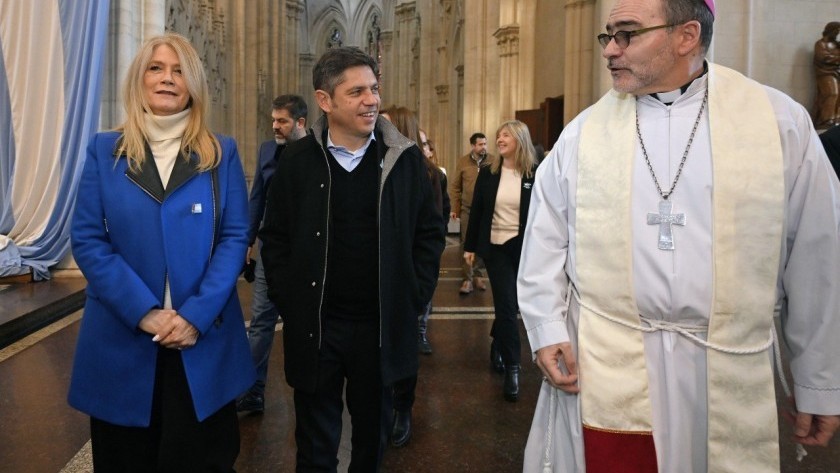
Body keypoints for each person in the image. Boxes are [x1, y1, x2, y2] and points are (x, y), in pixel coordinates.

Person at [518, 1, 840, 472]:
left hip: (724, 365)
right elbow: (544, 242)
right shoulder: (583, 134)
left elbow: (818, 257)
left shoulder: (778, 124)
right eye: (608, 35)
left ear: (687, 35)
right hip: (604, 363)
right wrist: (547, 330)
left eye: (626, 34)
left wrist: (819, 380)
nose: (610, 49)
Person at [68, 33, 254, 471]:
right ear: (139, 80)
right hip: (124, 338)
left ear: (193, 84)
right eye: (156, 68)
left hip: (201, 341)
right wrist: (145, 312)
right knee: (125, 460)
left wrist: (195, 316)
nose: (167, 79)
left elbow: (234, 237)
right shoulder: (104, 151)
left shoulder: (220, 152)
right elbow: (90, 240)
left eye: (178, 71)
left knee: (204, 459)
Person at [259, 47, 445, 472]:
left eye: (374, 88)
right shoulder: (298, 161)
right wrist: (293, 303)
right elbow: (275, 238)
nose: (371, 100)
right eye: (357, 91)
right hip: (318, 328)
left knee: (371, 442)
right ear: (325, 101)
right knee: (314, 446)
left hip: (378, 329)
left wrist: (411, 297)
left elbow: (429, 235)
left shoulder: (404, 159)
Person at [378, 106, 449, 448]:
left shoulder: (426, 172)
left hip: (406, 279)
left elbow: (431, 232)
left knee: (403, 347)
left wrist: (420, 287)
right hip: (379, 277)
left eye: (387, 124)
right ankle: (384, 404)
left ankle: (402, 407)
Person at [238, 94, 308, 413]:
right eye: (273, 120)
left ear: (300, 123)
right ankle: (252, 391)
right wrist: (247, 242)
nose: (275, 126)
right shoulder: (267, 149)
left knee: (303, 321)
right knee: (262, 321)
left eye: (282, 121)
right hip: (269, 248)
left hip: (304, 250)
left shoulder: (318, 151)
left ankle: (308, 391)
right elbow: (257, 200)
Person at [463, 120, 537, 402]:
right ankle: (514, 369)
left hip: (524, 249)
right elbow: (479, 212)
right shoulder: (488, 173)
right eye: (498, 136)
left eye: (505, 135)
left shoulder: (534, 174)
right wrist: (470, 248)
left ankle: (498, 342)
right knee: (507, 305)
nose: (499, 139)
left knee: (514, 305)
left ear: (520, 139)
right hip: (496, 249)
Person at [449, 132, 491, 294]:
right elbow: (455, 187)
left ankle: (478, 275)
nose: (484, 147)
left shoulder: (493, 161)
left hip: (486, 211)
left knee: (481, 243)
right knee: (467, 244)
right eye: (480, 144)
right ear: (473, 146)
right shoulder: (463, 162)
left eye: (485, 144)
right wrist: (455, 208)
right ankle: (467, 279)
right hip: (468, 209)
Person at [814, 21, 840, 128]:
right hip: (825, 73)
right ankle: (826, 119)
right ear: (830, 30)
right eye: (836, 31)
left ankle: (836, 118)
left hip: (837, 72)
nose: (837, 33)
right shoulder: (821, 44)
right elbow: (823, 58)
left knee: (839, 95)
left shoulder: (837, 45)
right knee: (831, 93)